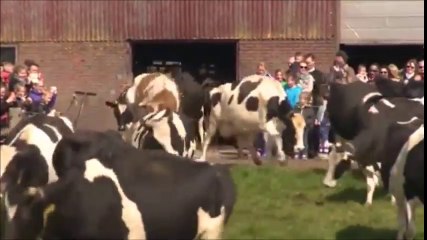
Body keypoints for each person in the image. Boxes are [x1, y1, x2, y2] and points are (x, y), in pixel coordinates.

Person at [294, 92, 315, 160]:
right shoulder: (296, 107)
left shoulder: (309, 109)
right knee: (296, 139)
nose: (301, 100)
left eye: (303, 99)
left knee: (304, 139)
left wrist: (307, 123)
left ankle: (304, 153)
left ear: (307, 100)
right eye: (300, 98)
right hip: (297, 127)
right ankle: (297, 152)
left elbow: (311, 118)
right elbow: (293, 115)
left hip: (305, 127)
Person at [315, 93, 330, 158]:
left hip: (326, 123)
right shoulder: (321, 106)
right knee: (321, 137)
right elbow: (319, 114)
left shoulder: (329, 107)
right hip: (321, 123)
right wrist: (317, 120)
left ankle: (325, 152)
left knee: (325, 137)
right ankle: (321, 151)